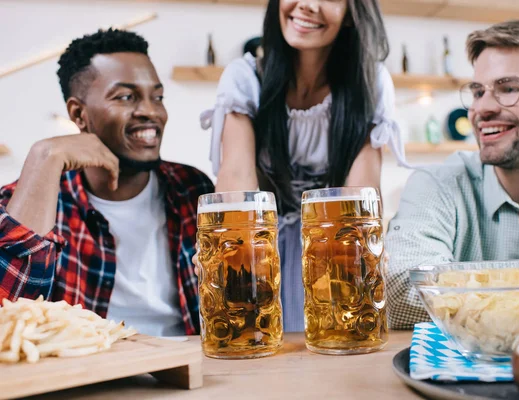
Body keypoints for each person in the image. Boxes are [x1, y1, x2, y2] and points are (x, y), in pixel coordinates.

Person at [200, 0, 405, 332]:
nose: (307, 5)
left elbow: (361, 194)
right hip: (261, 245)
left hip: (332, 247)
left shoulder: (369, 81)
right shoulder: (246, 76)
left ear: (353, 13)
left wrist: (361, 253)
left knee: (338, 344)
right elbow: (237, 178)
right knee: (251, 340)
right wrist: (229, 251)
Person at [384, 20, 519, 329]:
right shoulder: (438, 184)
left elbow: (428, 295)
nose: (481, 109)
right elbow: (400, 293)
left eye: (509, 88)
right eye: (477, 91)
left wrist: (461, 294)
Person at [0, 29, 215, 336]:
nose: (151, 112)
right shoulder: (19, 202)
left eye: (157, 96)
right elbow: (6, 318)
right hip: (90, 375)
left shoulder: (193, 189)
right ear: (79, 113)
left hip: (186, 370)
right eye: (126, 97)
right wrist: (44, 155)